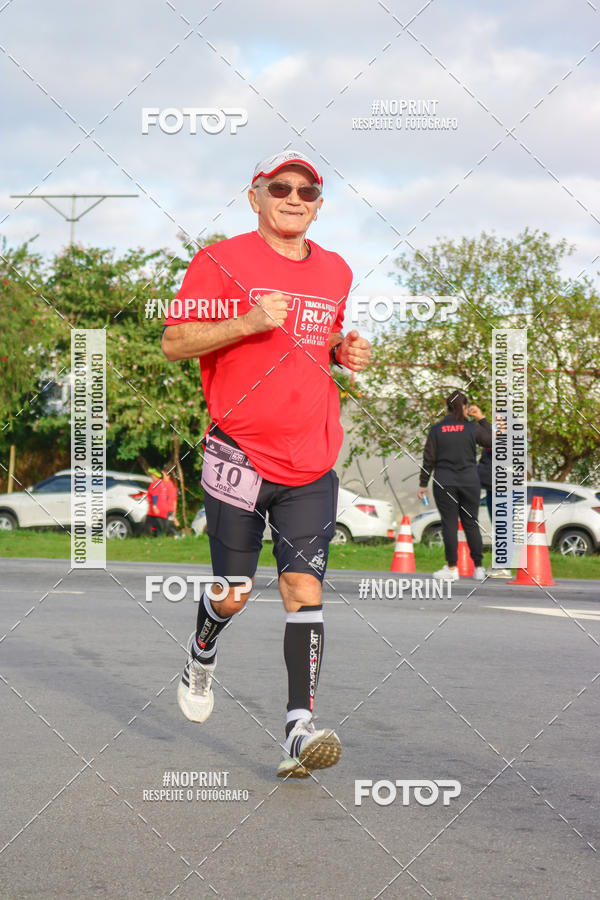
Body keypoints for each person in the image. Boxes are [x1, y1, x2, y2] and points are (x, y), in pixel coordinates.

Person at [162, 149, 371, 777]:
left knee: (303, 588)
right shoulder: (219, 261)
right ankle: (202, 652)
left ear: (319, 206)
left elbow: (315, 340)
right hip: (239, 454)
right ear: (254, 196)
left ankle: (297, 730)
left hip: (311, 459)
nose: (293, 199)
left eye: (307, 192)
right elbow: (174, 342)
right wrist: (247, 321)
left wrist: (341, 350)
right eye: (280, 188)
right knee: (233, 592)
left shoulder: (336, 269)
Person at [418, 391, 492, 581]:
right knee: (471, 523)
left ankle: (452, 568)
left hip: (445, 482)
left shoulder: (437, 430)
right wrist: (482, 419)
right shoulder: (472, 428)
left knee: (449, 524)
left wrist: (423, 484)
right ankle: (479, 568)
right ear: (465, 407)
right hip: (470, 481)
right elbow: (494, 441)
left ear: (447, 407)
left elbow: (428, 459)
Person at [478, 422, 512, 578]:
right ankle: (500, 562)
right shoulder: (493, 438)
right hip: (491, 486)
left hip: (503, 487)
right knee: (498, 527)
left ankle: (504, 565)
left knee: (503, 525)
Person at [145, 465, 179, 536]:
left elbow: (172, 499)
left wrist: (174, 511)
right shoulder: (169, 484)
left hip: (167, 509)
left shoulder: (168, 485)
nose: (162, 476)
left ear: (169, 476)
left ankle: (176, 535)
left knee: (166, 526)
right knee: (165, 526)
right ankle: (173, 535)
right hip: (167, 509)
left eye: (164, 474)